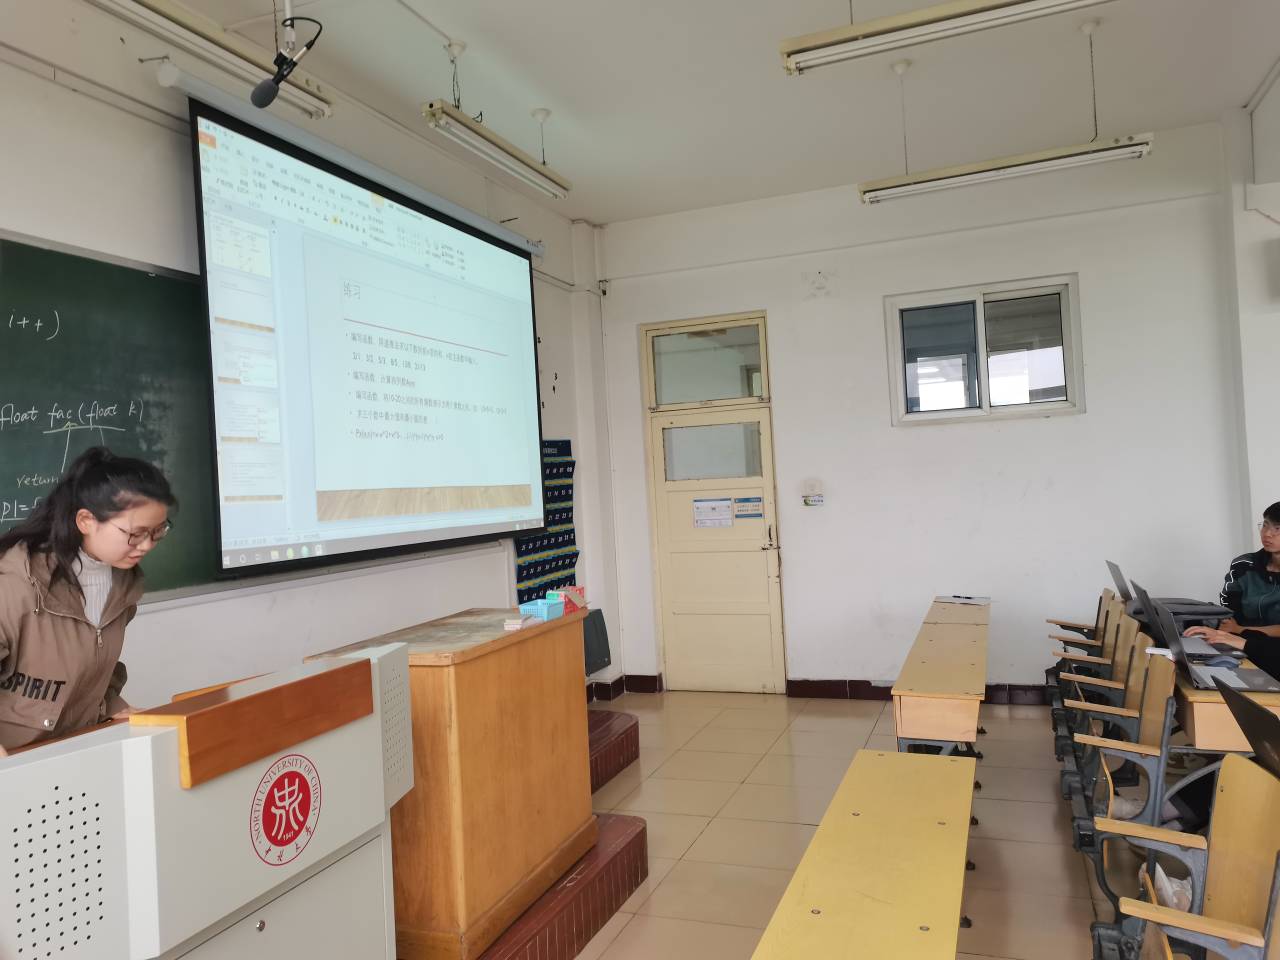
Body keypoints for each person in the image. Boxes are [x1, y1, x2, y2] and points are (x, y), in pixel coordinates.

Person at [0, 447, 175, 756]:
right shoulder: (15, 583)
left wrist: (115, 708)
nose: (147, 545)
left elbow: (93, 669)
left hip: (77, 749)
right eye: (136, 534)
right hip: (17, 761)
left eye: (158, 531)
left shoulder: (123, 587)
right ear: (86, 521)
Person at [1185, 502, 1280, 676]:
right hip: (1239, 645)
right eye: (1265, 525)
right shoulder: (1244, 565)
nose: (1267, 534)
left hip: (1270, 652)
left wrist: (1240, 631)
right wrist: (1220, 629)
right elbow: (1229, 613)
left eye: (1278, 529)